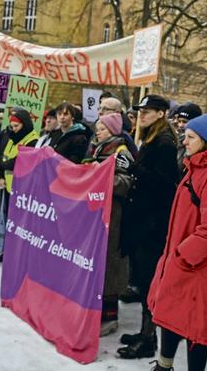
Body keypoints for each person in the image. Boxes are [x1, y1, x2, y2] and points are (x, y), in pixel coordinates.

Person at [148, 113, 207, 371]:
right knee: (170, 315)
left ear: (205, 141)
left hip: (196, 265)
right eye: (186, 136)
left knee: (195, 326)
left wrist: (183, 255)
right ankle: (164, 366)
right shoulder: (196, 167)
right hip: (179, 259)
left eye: (190, 137)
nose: (185, 141)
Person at [118, 95, 179, 360]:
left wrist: (134, 169)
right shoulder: (152, 138)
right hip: (143, 220)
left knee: (148, 282)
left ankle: (149, 338)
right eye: (140, 111)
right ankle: (145, 333)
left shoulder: (164, 142)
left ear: (161, 114)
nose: (141, 115)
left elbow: (165, 184)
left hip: (152, 225)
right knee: (143, 281)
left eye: (148, 111)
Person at [83, 112, 133, 337]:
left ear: (112, 130)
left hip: (114, 215)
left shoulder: (121, 152)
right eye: (97, 128)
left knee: (110, 264)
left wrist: (101, 177)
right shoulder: (96, 148)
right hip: (95, 213)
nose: (98, 132)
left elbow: (126, 182)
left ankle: (110, 316)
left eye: (102, 128)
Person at [0, 108, 39, 260]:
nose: (13, 129)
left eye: (16, 126)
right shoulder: (12, 137)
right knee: (10, 221)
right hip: (9, 186)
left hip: (23, 189)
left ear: (25, 125)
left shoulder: (32, 140)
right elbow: (2, 156)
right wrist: (2, 168)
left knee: (20, 224)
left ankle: (17, 255)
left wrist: (4, 165)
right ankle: (7, 251)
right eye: (12, 126)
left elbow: (18, 161)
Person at [173, 102, 202, 174]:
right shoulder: (175, 139)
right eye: (179, 121)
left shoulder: (198, 145)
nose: (181, 125)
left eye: (185, 122)